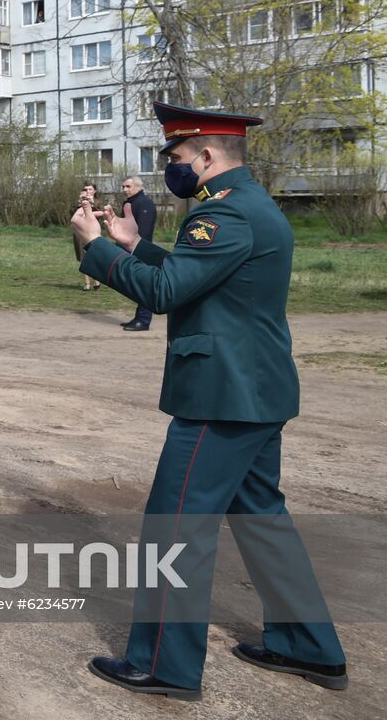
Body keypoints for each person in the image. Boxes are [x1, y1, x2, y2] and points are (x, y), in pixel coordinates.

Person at [71, 102, 346, 701]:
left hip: (221, 396)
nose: (169, 167)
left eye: (174, 157)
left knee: (177, 527)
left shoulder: (221, 217)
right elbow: (201, 280)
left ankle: (163, 665)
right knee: (262, 521)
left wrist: (96, 247)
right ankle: (307, 646)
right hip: (254, 389)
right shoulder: (248, 208)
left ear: (206, 156)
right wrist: (137, 246)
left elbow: (167, 293)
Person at [119, 175, 157, 331]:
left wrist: (135, 250)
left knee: (143, 285)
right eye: (123, 187)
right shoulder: (132, 203)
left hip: (141, 251)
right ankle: (139, 317)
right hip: (132, 248)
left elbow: (144, 231)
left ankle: (143, 320)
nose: (124, 190)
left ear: (138, 187)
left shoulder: (144, 203)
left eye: (128, 186)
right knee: (136, 286)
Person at [74, 183, 101, 291]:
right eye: (86, 189)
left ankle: (97, 281)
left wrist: (92, 203)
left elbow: (100, 212)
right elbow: (74, 215)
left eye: (90, 189)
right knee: (83, 258)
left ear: (94, 191)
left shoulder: (97, 202)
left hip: (94, 233)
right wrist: (80, 202)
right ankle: (87, 283)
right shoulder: (80, 202)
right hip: (81, 233)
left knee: (94, 257)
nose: (88, 191)